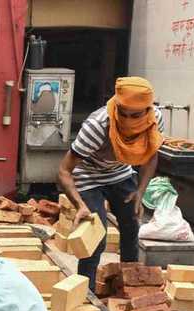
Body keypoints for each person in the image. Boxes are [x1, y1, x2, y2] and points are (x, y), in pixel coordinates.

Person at [57, 76, 165, 287]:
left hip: (120, 172)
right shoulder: (97, 125)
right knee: (96, 235)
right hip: (88, 176)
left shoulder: (155, 119)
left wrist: (140, 192)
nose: (128, 120)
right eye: (123, 113)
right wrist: (80, 205)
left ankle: (130, 283)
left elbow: (152, 155)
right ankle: (85, 292)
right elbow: (63, 170)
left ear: (148, 109)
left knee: (131, 224)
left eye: (135, 115)